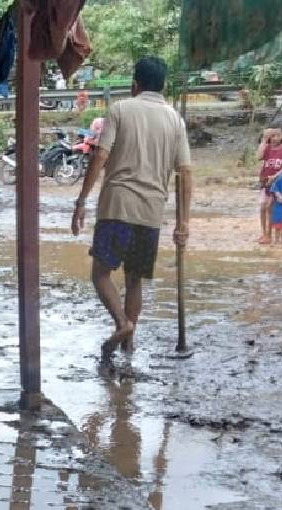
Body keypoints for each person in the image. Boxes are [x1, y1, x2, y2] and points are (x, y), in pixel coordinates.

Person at [71, 56, 193, 358]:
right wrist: (183, 222)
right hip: (152, 210)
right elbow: (185, 172)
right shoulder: (175, 119)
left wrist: (82, 200)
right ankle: (128, 345)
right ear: (162, 85)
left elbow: (100, 155)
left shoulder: (121, 109)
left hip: (117, 204)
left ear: (134, 84)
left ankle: (123, 324)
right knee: (134, 278)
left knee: (101, 274)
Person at [257, 122, 282, 245]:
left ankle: (270, 234)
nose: (275, 138)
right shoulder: (266, 147)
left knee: (270, 208)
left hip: (279, 183)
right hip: (265, 182)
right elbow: (258, 156)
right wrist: (263, 140)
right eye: (272, 135)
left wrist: (276, 176)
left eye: (278, 135)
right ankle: (264, 233)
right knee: (263, 207)